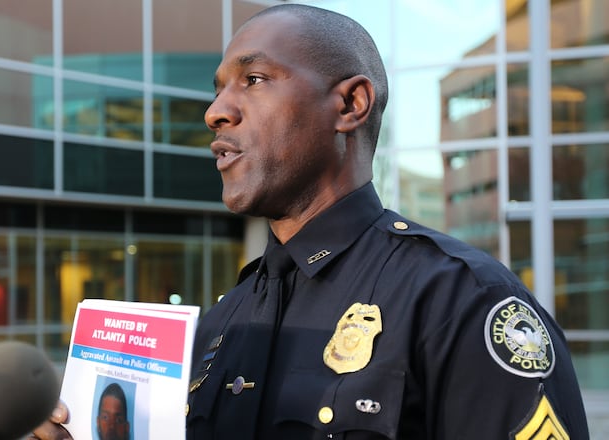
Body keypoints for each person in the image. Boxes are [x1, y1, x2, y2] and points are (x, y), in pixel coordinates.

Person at [32, 4, 590, 439]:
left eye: (253, 79)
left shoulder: (461, 302)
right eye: (218, 89)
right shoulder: (223, 321)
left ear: (349, 105)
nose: (215, 112)